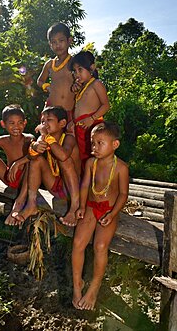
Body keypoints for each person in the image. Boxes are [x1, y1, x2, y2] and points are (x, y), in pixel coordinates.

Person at [71, 122, 129, 310]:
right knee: (78, 242)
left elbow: (123, 194)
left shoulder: (121, 168)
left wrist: (113, 214)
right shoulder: (90, 163)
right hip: (90, 207)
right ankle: (77, 284)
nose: (94, 147)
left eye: (100, 143)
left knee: (100, 245)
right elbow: (85, 186)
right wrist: (80, 206)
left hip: (108, 210)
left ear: (115, 145)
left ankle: (94, 287)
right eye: (92, 143)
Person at [12, 106, 81, 227]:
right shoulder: (44, 138)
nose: (44, 124)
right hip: (55, 187)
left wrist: (46, 137)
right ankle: (31, 204)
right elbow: (32, 158)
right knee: (36, 160)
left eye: (49, 120)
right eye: (42, 121)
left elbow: (63, 156)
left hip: (72, 189)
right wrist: (34, 148)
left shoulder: (69, 138)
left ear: (62, 123)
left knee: (65, 160)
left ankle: (74, 208)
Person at [69, 50, 110, 171]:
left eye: (80, 70)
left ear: (91, 68)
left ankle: (100, 184)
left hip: (93, 126)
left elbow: (106, 105)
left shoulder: (96, 84)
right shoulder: (81, 87)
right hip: (80, 127)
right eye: (74, 71)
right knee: (84, 157)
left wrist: (92, 118)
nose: (77, 74)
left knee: (95, 155)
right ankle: (88, 183)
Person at [37, 22, 75, 123]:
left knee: (68, 138)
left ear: (69, 41)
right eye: (54, 42)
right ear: (50, 45)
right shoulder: (50, 64)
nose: (57, 45)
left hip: (70, 110)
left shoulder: (74, 62)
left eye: (61, 40)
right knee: (48, 137)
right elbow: (40, 81)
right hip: (51, 110)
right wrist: (47, 86)